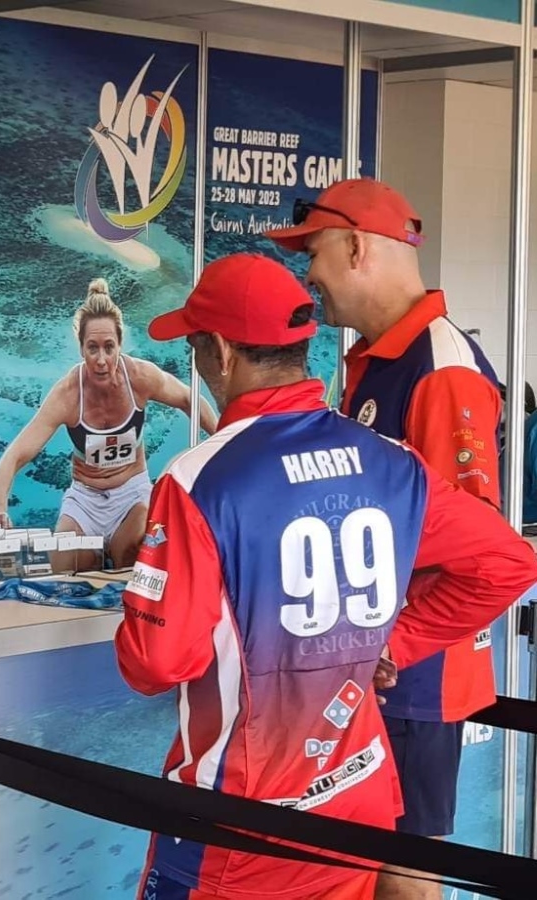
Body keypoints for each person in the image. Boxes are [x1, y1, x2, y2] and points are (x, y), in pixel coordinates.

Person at [115, 253, 537, 900]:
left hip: (243, 822)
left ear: (223, 353)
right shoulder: (391, 463)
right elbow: (508, 563)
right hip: (355, 802)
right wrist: (399, 639)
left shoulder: (201, 480)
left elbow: (157, 663)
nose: (198, 363)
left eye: (197, 346)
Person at [266, 178, 504, 900]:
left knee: (404, 876)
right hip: (366, 666)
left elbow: (478, 550)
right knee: (358, 868)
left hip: (413, 676)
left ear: (358, 247)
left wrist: (399, 644)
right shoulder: (376, 360)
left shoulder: (442, 368)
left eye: (314, 252)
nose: (308, 273)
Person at [0, 277, 218, 569]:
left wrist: (223, 440)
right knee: (65, 567)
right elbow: (15, 455)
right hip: (85, 500)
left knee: (133, 555)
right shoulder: (68, 394)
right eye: (92, 348)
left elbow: (190, 399)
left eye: (109, 347)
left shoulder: (140, 377)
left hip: (132, 495)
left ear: (120, 345)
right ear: (81, 348)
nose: (100, 359)